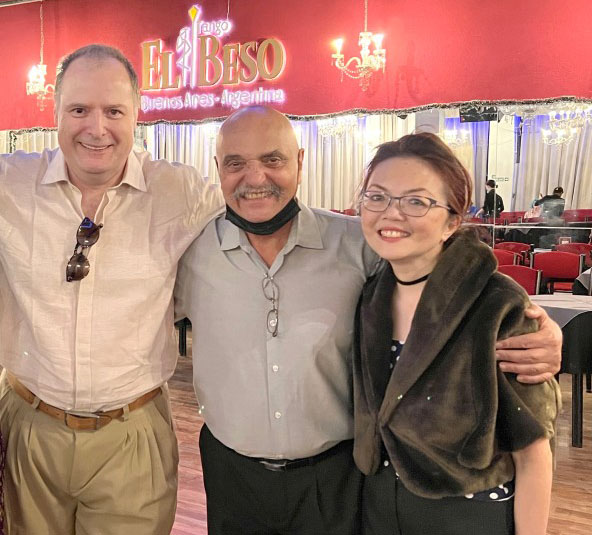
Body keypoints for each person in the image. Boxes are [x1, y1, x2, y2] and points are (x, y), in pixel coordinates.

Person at [174, 106, 562, 535]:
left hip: (341, 477)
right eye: (235, 163)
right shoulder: (188, 253)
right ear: (218, 168)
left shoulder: (358, 244)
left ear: (299, 162)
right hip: (232, 474)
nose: (255, 177)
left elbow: (445, 271)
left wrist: (540, 326)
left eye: (272, 159)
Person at [0, 44, 222, 534]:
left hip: (131, 434)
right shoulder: (9, 184)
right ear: (56, 113)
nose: (96, 128)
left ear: (137, 115)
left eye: (114, 111)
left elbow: (260, 217)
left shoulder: (180, 193)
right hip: (28, 428)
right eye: (79, 109)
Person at [353, 133, 560, 535]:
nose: (391, 214)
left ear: (452, 220)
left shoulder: (496, 304)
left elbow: (534, 447)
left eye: (416, 202)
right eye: (377, 197)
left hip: (467, 513)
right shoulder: (370, 295)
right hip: (379, 504)